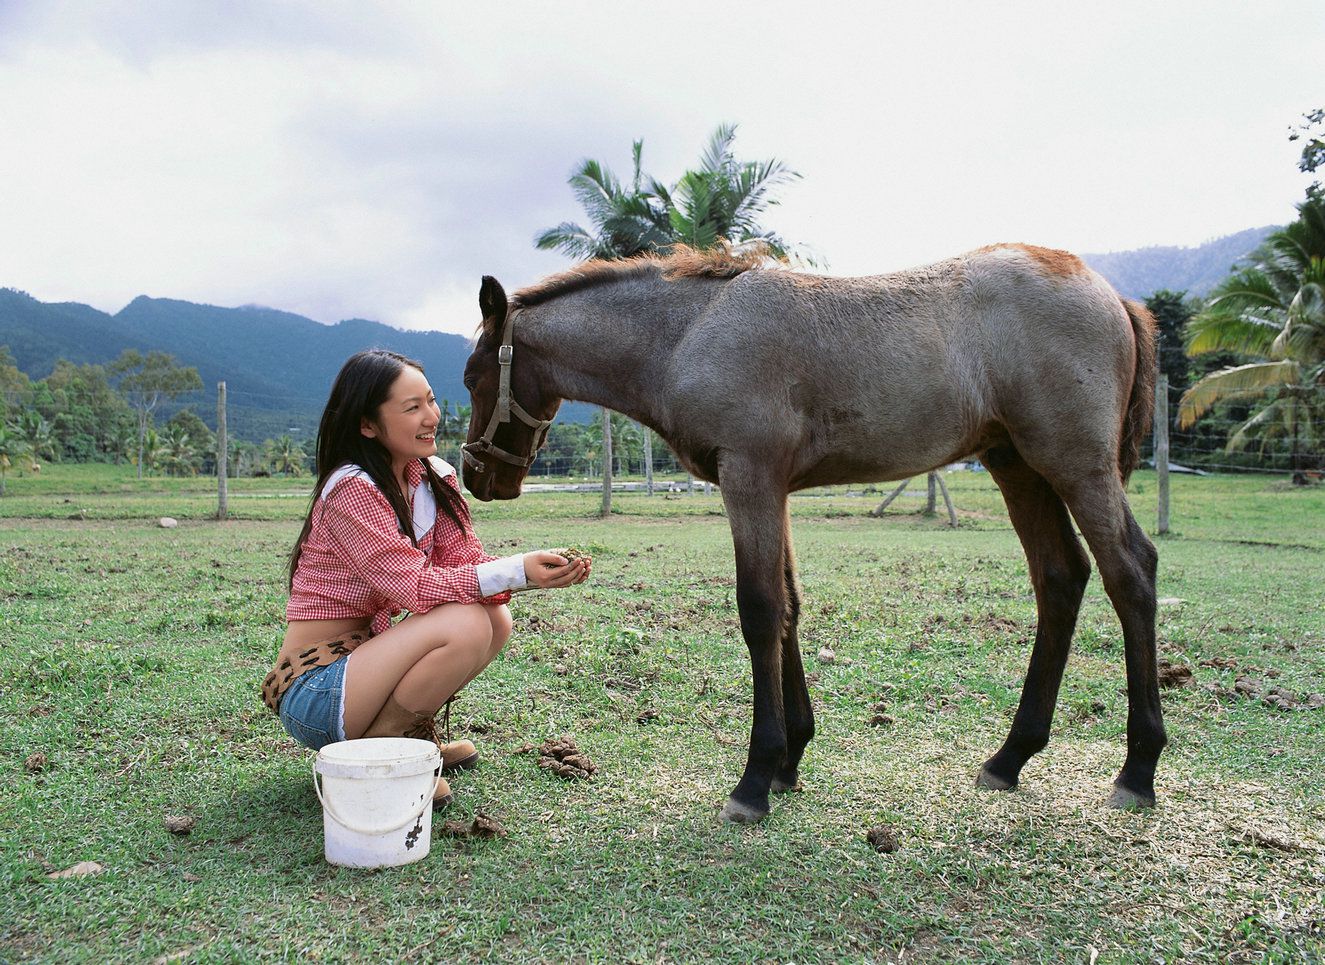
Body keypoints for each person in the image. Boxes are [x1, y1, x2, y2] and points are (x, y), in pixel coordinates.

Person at [261, 349, 589, 807]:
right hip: (318, 688)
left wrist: (534, 574)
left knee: (495, 619)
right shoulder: (351, 489)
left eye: (431, 401)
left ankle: (403, 740)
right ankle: (380, 755)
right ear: (367, 425)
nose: (431, 416)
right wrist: (516, 569)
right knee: (467, 622)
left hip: (367, 670)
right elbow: (412, 587)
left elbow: (465, 564)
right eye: (411, 408)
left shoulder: (435, 478)